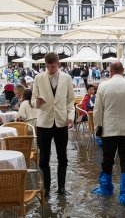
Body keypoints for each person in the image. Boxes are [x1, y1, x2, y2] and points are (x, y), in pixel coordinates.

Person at [92, 61, 125, 205]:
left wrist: (98, 126)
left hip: (109, 130)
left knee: (108, 159)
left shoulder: (103, 86)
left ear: (110, 71)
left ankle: (106, 189)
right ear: (123, 70)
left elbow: (97, 110)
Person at [32, 52, 75, 197]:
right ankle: (46, 187)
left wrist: (70, 116)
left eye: (53, 66)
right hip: (44, 123)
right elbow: (32, 99)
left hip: (61, 122)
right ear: (45, 65)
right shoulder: (38, 78)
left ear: (59, 64)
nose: (50, 69)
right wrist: (36, 103)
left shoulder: (67, 78)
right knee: (44, 157)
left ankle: (61, 187)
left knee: (62, 156)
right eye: (48, 66)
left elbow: (70, 101)